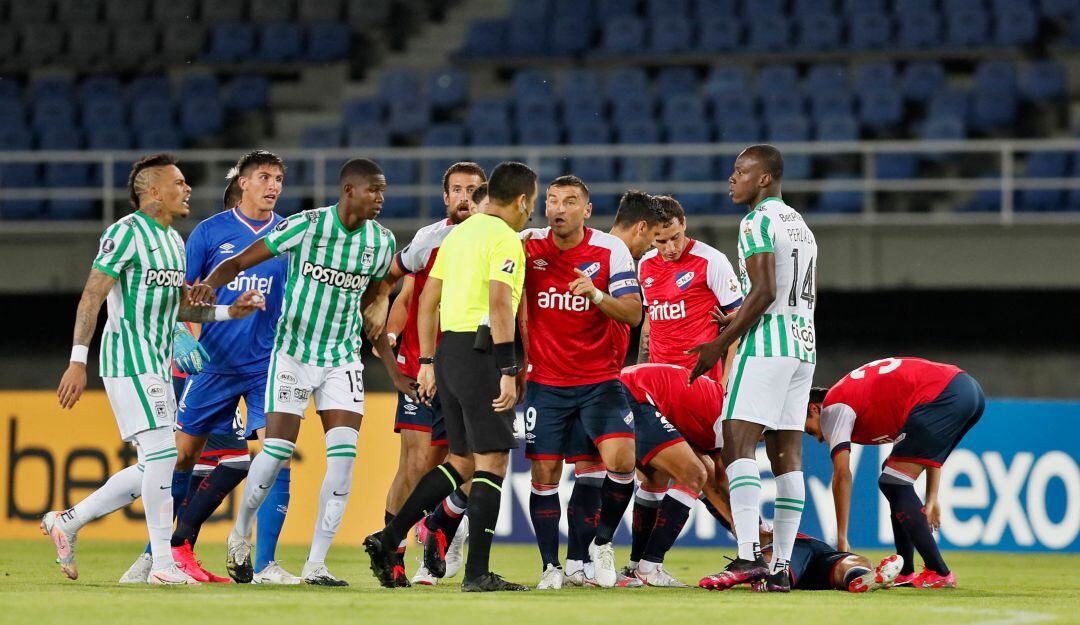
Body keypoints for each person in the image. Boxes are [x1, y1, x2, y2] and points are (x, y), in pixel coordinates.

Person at [46, 153, 264, 584]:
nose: (187, 189)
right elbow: (91, 296)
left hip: (157, 365)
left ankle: (67, 522)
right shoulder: (124, 234)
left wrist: (227, 314)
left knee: (154, 466)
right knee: (167, 456)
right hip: (127, 361)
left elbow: (178, 308)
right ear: (153, 190)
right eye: (178, 182)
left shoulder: (172, 241)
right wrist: (76, 361)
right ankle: (162, 565)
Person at [191, 158, 401, 586]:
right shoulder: (307, 226)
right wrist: (206, 289)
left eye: (383, 191)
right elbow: (240, 263)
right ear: (349, 191)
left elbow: (380, 293)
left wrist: (395, 370)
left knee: (343, 463)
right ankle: (240, 532)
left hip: (341, 359)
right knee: (275, 456)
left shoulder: (381, 242)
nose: (380, 198)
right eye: (373, 190)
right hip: (291, 356)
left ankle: (316, 564)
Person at [363, 161, 537, 593]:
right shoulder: (504, 239)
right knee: (493, 461)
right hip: (484, 355)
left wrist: (426, 359)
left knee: (460, 460)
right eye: (531, 204)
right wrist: (508, 368)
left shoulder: (458, 235)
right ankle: (477, 573)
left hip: (448, 354)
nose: (530, 213)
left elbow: (428, 303)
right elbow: (500, 305)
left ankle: (388, 538)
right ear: (521, 201)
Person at [689, 144, 818, 592]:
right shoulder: (798, 224)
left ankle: (747, 558)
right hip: (803, 346)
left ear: (764, 179)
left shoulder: (757, 221)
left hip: (766, 345)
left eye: (741, 171)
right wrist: (738, 313)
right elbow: (775, 290)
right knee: (788, 458)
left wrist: (718, 344)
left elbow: (762, 292)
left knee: (736, 442)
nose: (732, 179)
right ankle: (780, 567)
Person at [520, 175, 644, 590]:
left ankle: (602, 544)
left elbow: (632, 313)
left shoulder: (612, 250)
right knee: (545, 473)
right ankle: (551, 568)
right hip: (547, 382)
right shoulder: (527, 244)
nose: (558, 208)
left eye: (569, 201)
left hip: (599, 380)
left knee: (622, 460)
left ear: (586, 210)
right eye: (552, 200)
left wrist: (595, 295)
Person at [381, 162, 486, 586]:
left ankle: (440, 525)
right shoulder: (429, 239)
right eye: (456, 190)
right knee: (417, 463)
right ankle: (394, 551)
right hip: (420, 365)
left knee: (474, 463)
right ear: (445, 197)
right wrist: (388, 341)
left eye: (472, 190)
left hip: (468, 366)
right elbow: (402, 291)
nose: (464, 197)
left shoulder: (499, 240)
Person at [805, 357, 985, 589]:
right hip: (966, 392)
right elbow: (929, 448)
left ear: (814, 409)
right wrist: (932, 496)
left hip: (945, 395)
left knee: (893, 482)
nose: (819, 440)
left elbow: (842, 475)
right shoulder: (861, 401)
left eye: (810, 431)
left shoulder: (832, 407)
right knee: (891, 475)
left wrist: (842, 538)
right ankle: (906, 571)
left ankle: (939, 572)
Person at [617, 363, 728, 587]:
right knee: (694, 474)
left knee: (655, 477)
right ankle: (649, 567)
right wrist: (753, 537)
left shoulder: (719, 404)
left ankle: (635, 564)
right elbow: (720, 486)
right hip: (635, 394)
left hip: (623, 388)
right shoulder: (728, 426)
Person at [638, 195, 743, 382]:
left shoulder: (712, 261)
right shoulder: (645, 264)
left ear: (684, 224)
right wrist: (640, 372)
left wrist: (726, 384)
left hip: (700, 381)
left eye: (675, 237)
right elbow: (649, 324)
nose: (670, 248)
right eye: (661, 241)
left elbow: (739, 325)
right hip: (659, 381)